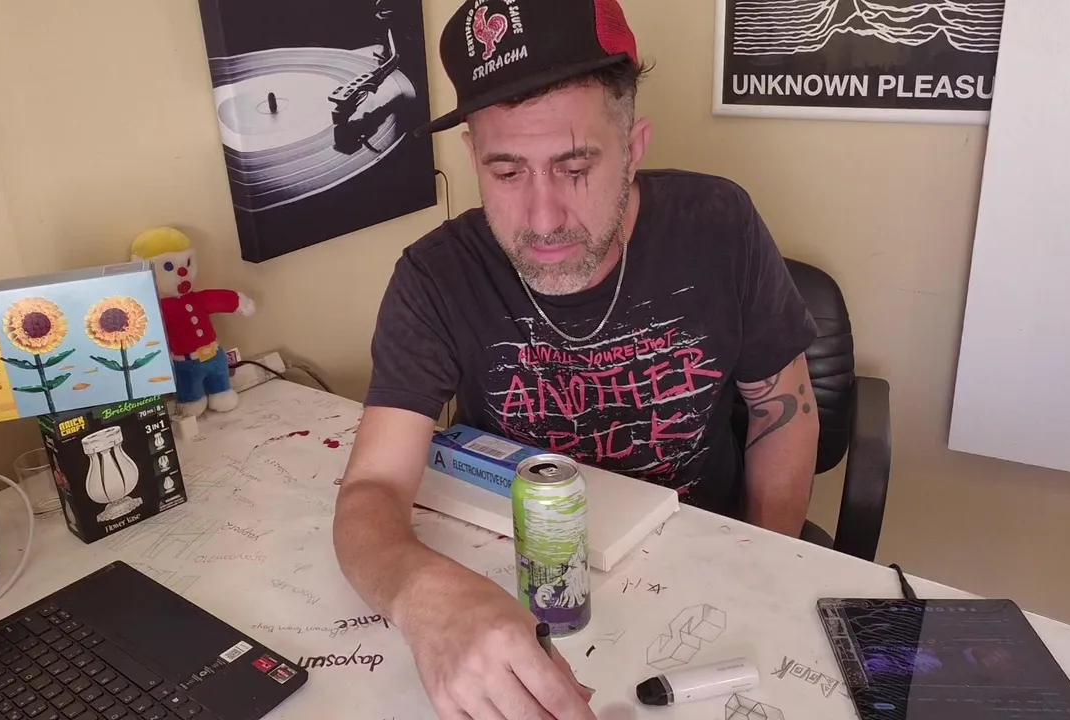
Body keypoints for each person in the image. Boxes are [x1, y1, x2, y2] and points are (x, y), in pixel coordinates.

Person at [333, 0, 820, 717]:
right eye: (506, 172)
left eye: (575, 167)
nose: (543, 219)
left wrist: (758, 573)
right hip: (517, 589)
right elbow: (371, 487)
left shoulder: (719, 225)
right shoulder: (436, 277)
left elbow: (785, 416)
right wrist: (424, 596)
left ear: (633, 147)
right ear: (472, 155)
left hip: (698, 576)